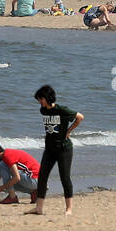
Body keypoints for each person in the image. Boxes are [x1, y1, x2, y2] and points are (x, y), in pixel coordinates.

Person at [26, 85, 81, 216]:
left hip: (63, 149)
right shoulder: (43, 110)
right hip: (49, 149)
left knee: (65, 178)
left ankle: (69, 209)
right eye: (39, 99)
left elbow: (80, 117)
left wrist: (69, 130)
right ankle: (39, 208)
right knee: (42, 176)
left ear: (48, 97)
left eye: (41, 99)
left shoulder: (62, 109)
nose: (40, 102)